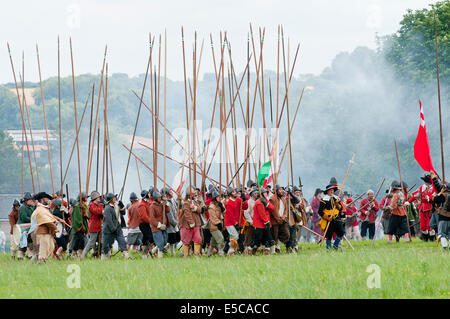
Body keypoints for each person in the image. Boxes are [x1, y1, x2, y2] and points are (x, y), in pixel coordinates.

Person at [31, 192, 58, 263]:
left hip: (47, 232)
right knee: (43, 249)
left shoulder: (44, 209)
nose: (48, 201)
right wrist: (56, 228)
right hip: (42, 232)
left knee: (50, 247)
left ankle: (41, 261)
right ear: (42, 200)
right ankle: (40, 262)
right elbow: (47, 221)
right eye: (46, 199)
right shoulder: (40, 209)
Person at [101, 193, 130, 259]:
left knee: (122, 241)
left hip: (118, 228)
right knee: (106, 246)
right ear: (110, 200)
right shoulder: (107, 209)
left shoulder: (117, 206)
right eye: (113, 198)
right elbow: (109, 221)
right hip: (108, 230)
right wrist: (113, 229)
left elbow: (123, 213)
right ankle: (104, 258)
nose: (115, 198)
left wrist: (122, 206)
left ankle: (126, 255)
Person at [408, 174, 436, 241]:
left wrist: (430, 198)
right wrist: (408, 202)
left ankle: (432, 238)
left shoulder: (434, 188)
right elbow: (415, 196)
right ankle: (425, 238)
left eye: (426, 181)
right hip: (422, 208)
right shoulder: (421, 188)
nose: (425, 183)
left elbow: (435, 196)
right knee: (423, 226)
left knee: (430, 225)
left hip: (430, 208)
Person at [246, 188, 274, 255]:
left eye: (267, 192)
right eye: (265, 192)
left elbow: (272, 208)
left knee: (268, 238)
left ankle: (267, 251)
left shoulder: (265, 200)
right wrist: (266, 222)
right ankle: (248, 250)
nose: (266, 194)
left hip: (265, 223)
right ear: (262, 194)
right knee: (256, 239)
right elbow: (262, 214)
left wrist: (266, 203)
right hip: (259, 224)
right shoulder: (259, 202)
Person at [318, 183, 346, 250]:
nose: (332, 191)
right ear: (327, 191)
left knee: (341, 232)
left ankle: (336, 245)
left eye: (333, 190)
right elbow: (320, 211)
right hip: (328, 219)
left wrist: (337, 205)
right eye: (330, 190)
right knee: (329, 234)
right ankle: (328, 248)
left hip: (336, 218)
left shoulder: (336, 198)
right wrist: (327, 218)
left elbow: (341, 209)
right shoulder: (324, 200)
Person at [179, 187, 203, 257]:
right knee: (186, 241)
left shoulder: (195, 202)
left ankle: (197, 255)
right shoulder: (186, 203)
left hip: (195, 224)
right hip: (186, 225)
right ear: (190, 195)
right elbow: (187, 214)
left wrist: (194, 208)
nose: (195, 194)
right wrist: (191, 222)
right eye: (194, 193)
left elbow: (200, 210)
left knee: (198, 239)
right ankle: (186, 256)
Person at [224, 186, 248, 255]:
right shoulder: (228, 203)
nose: (235, 193)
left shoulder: (239, 200)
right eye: (234, 192)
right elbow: (230, 215)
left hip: (237, 222)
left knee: (232, 237)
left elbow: (245, 207)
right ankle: (231, 250)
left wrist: (244, 199)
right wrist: (235, 223)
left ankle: (229, 251)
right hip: (230, 223)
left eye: (235, 191)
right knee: (235, 236)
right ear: (230, 194)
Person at [81, 191, 104, 259]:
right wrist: (101, 205)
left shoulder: (97, 205)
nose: (99, 198)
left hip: (99, 226)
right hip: (94, 226)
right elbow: (98, 212)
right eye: (98, 198)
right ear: (95, 198)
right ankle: (83, 255)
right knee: (91, 242)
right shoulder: (91, 205)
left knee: (102, 241)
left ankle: (97, 253)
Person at [430, 171, 450, 249]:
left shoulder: (443, 195)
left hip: (443, 217)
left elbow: (435, 200)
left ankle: (444, 247)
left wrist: (439, 193)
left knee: (442, 233)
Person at [149, 190, 171, 258]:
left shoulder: (161, 204)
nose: (160, 198)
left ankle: (152, 251)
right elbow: (152, 219)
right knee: (160, 242)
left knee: (164, 241)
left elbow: (168, 210)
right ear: (155, 198)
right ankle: (160, 257)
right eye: (159, 197)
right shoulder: (152, 206)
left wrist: (165, 202)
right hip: (156, 228)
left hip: (163, 226)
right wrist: (159, 225)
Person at [268, 185, 290, 254]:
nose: (281, 191)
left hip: (283, 220)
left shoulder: (284, 198)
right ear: (276, 191)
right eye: (280, 189)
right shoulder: (272, 198)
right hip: (274, 220)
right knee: (275, 235)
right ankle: (273, 251)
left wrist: (284, 216)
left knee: (286, 234)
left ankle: (278, 246)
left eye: (282, 189)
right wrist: (278, 218)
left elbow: (286, 209)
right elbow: (274, 211)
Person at [69, 193, 89, 257]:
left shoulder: (84, 205)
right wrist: (81, 225)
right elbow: (77, 217)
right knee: (81, 239)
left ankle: (73, 253)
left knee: (77, 240)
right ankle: (80, 253)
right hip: (78, 226)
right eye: (85, 197)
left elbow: (87, 215)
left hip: (83, 225)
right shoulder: (77, 206)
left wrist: (84, 211)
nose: (86, 198)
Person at [162, 187, 180, 257]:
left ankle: (169, 251)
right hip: (170, 225)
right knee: (171, 240)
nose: (171, 192)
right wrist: (175, 223)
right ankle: (156, 250)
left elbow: (178, 206)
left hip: (173, 223)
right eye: (170, 192)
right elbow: (170, 216)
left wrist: (179, 199)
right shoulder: (167, 204)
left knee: (174, 240)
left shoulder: (172, 201)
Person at [17, 192, 35, 260]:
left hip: (29, 227)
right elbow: (24, 217)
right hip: (23, 227)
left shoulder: (32, 207)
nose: (31, 201)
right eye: (30, 200)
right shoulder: (22, 208)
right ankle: (20, 256)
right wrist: (32, 220)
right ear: (26, 200)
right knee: (23, 242)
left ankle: (30, 255)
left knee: (30, 241)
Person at [207, 191, 225, 256]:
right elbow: (213, 218)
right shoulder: (211, 207)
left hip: (219, 225)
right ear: (215, 198)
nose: (219, 198)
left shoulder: (219, 205)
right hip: (214, 226)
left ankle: (208, 254)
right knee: (221, 239)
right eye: (218, 197)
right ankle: (220, 252)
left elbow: (225, 213)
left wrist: (222, 208)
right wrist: (219, 224)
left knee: (213, 242)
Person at [138, 189, 154, 258]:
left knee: (145, 240)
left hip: (147, 224)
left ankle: (145, 255)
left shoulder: (147, 203)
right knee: (151, 238)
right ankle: (149, 253)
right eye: (148, 194)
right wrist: (151, 222)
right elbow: (144, 217)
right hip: (144, 224)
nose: (150, 194)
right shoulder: (142, 205)